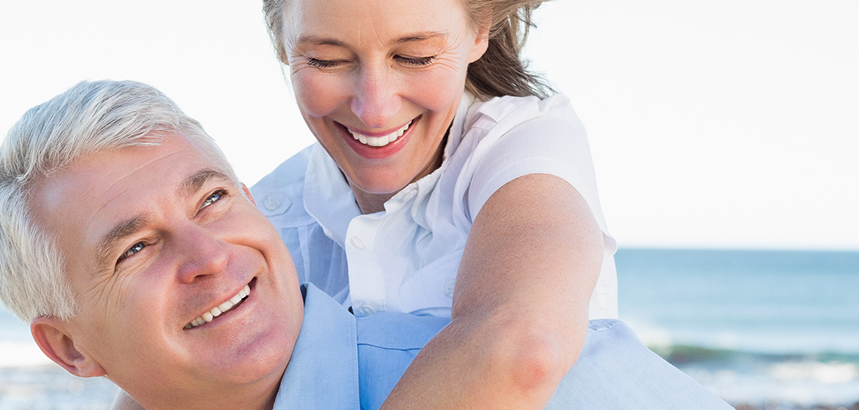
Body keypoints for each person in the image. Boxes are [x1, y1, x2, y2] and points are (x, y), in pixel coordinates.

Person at [0, 80, 729, 410]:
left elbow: (524, 346)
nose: (211, 256)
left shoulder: (570, 389)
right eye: (135, 249)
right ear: (69, 349)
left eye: (214, 200)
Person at [253, 0, 616, 407]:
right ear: (280, 42)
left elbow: (521, 347)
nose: (375, 111)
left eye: (416, 57)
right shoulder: (262, 218)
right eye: (327, 60)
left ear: (479, 30)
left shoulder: (525, 147)